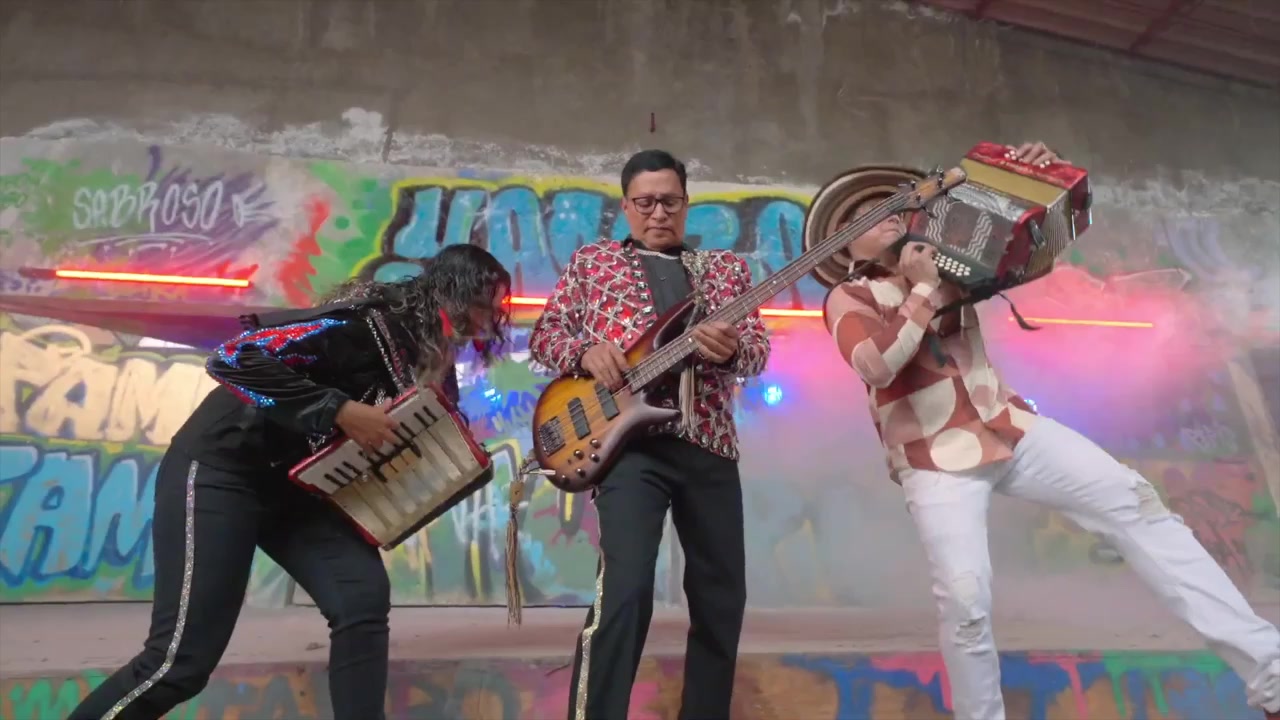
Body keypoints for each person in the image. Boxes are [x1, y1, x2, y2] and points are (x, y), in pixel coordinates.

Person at [822, 141, 1280, 720]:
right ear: (844, 247)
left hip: (1007, 425)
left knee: (1134, 501)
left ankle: (1272, 680)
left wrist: (1026, 174)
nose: (884, 214)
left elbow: (1029, 248)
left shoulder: (955, 264)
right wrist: (921, 290)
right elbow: (876, 366)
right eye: (863, 216)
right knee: (965, 603)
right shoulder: (848, 297)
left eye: (889, 205)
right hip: (934, 458)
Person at [69, 244, 513, 720]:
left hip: (297, 490)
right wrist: (339, 410)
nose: (491, 321)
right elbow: (234, 358)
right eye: (485, 305)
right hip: (223, 470)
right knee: (179, 663)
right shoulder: (365, 323)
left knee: (360, 596)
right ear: (454, 293)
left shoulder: (431, 359)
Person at [530, 149, 771, 720]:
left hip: (709, 445)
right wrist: (585, 351)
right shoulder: (593, 264)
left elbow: (758, 350)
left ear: (686, 204)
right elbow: (546, 336)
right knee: (626, 590)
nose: (658, 212)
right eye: (645, 202)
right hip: (629, 450)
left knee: (721, 598)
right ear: (625, 206)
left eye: (669, 201)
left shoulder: (725, 270)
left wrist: (733, 350)